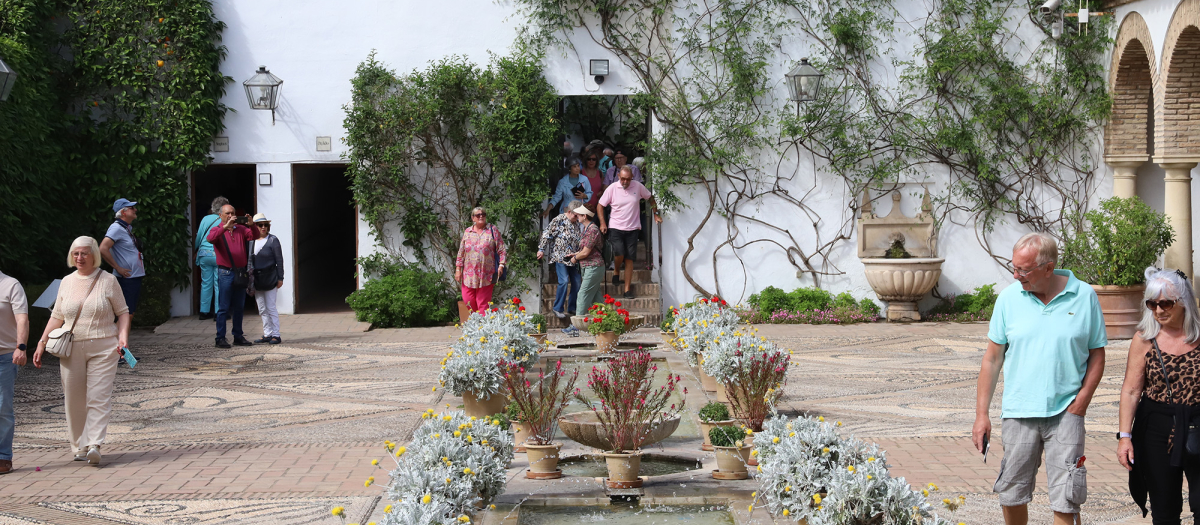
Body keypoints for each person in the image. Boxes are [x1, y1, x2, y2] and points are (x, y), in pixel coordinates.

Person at [973, 232, 1106, 525]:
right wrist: (982, 414)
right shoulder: (1008, 299)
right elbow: (992, 359)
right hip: (1019, 412)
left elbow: (1097, 354)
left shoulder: (1084, 296)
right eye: (1014, 267)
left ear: (1049, 267)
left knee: (1068, 496)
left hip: (1067, 412)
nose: (1016, 275)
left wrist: (1081, 402)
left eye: (1024, 269)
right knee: (1011, 492)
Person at [33, 237, 129, 466]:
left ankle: (94, 444)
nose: (80, 258)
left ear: (94, 254)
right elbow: (57, 316)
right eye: (75, 253)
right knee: (74, 399)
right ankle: (79, 446)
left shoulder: (107, 281)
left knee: (98, 396)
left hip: (104, 346)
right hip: (71, 347)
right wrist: (41, 342)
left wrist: (123, 338)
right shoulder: (66, 281)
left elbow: (123, 312)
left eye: (84, 253)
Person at [1119, 267, 1200, 523]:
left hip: (1198, 423)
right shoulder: (1144, 339)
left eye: (1166, 303)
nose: (1159, 310)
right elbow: (1131, 391)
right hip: (1156, 427)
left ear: (1184, 302)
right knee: (1164, 509)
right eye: (1152, 303)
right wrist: (1124, 437)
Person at [598, 165, 662, 299]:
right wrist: (603, 223)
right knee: (619, 253)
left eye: (628, 179)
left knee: (629, 259)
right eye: (622, 179)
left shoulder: (638, 186)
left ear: (632, 177)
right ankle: (616, 271)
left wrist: (655, 213)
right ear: (618, 177)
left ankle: (627, 290)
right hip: (615, 227)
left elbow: (650, 198)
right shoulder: (612, 188)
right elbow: (600, 205)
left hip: (633, 228)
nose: (625, 182)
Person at [206, 204, 261, 348]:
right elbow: (210, 239)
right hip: (225, 272)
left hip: (240, 272)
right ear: (220, 215)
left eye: (233, 213)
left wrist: (252, 225)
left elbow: (254, 236)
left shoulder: (241, 229)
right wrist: (225, 227)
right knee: (223, 307)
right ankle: (220, 338)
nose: (230, 216)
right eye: (227, 213)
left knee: (239, 306)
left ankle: (238, 335)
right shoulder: (217, 229)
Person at [0, 271, 28, 474]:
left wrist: (21, 347)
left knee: (2, 407)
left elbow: (22, 319)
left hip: (5, 355)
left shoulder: (11, 285)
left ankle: (3, 457)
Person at [455, 207, 507, 315]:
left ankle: (482, 328)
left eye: (483, 214)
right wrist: (458, 269)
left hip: (486, 274)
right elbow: (461, 252)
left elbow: (501, 249)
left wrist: (501, 265)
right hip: (469, 275)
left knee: (483, 303)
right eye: (478, 215)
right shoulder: (467, 232)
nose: (481, 216)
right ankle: (477, 320)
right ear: (473, 218)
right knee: (468, 300)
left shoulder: (492, 230)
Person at [538, 200, 583, 322]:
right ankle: (558, 308)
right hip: (560, 256)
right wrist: (541, 249)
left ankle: (572, 307)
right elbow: (547, 234)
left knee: (577, 282)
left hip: (573, 258)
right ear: (569, 212)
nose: (577, 217)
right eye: (575, 215)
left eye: (579, 215)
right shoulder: (559, 219)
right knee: (563, 281)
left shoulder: (577, 223)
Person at [100, 198, 144, 319]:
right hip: (127, 279)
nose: (135, 210)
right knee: (126, 315)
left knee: (129, 313)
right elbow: (103, 248)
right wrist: (117, 267)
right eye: (131, 208)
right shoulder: (116, 228)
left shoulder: (126, 228)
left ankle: (123, 338)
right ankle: (121, 338)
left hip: (133, 276)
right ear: (123, 212)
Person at [251, 213, 285, 345]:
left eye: (265, 225)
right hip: (257, 278)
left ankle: (276, 334)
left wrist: (280, 277)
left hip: (270, 276)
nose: (263, 227)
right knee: (262, 308)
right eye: (260, 225)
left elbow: (279, 260)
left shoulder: (272, 240)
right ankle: (267, 333)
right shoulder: (251, 241)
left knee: (271, 307)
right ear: (255, 227)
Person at [569, 205, 605, 324]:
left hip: (594, 267)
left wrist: (575, 258)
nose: (576, 216)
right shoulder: (587, 228)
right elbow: (585, 249)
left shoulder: (592, 230)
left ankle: (577, 326)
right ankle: (605, 321)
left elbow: (586, 252)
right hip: (589, 267)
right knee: (596, 297)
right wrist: (576, 254)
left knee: (583, 294)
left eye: (579, 215)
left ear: (585, 216)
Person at [195, 196, 228, 320]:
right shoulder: (224, 219)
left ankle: (204, 311)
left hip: (204, 254)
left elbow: (199, 236)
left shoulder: (205, 219)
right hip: (218, 254)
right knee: (218, 283)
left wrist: (196, 249)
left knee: (206, 283)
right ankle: (218, 312)